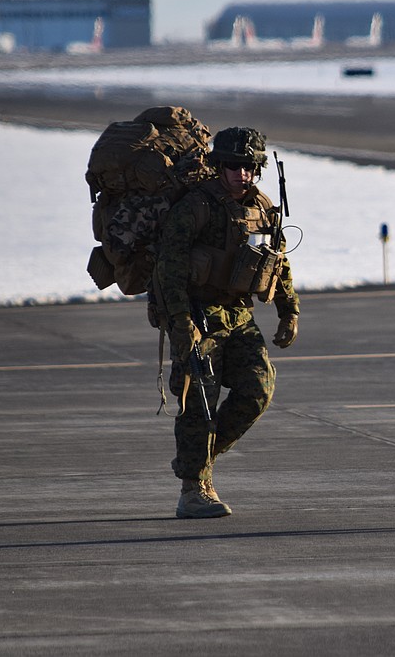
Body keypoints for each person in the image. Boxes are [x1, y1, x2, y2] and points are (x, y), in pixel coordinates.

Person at [153, 126, 300, 518]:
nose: (241, 174)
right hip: (198, 314)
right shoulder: (196, 208)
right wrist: (181, 322)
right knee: (199, 400)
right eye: (233, 166)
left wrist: (289, 310)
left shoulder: (263, 207)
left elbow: (277, 261)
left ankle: (199, 460)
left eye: (249, 166)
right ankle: (193, 489)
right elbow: (169, 270)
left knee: (258, 389)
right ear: (219, 166)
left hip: (238, 314)